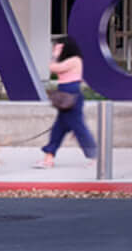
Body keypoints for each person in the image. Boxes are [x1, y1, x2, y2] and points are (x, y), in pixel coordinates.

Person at [38, 39, 94, 168]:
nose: (55, 49)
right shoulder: (70, 60)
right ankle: (49, 157)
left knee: (79, 129)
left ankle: (96, 156)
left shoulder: (75, 60)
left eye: (58, 47)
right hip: (65, 95)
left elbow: (53, 67)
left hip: (71, 95)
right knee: (58, 129)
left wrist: (55, 55)